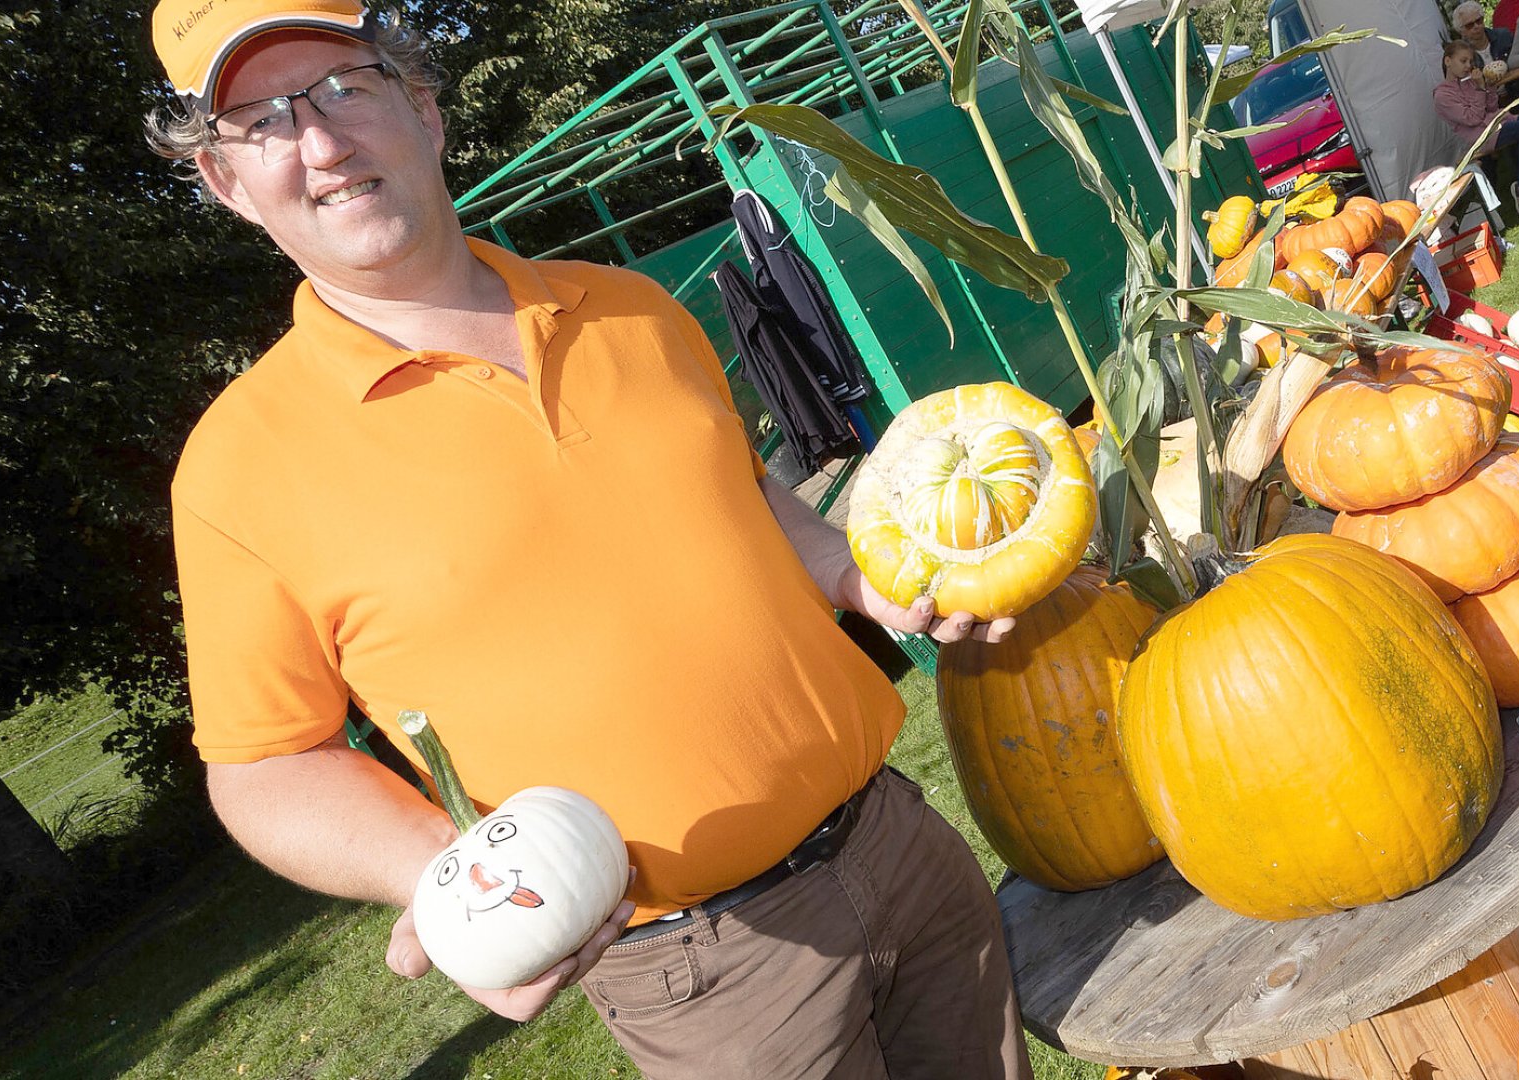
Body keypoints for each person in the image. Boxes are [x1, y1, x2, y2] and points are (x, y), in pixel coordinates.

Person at [144, 2, 1033, 1077]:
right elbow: (264, 764)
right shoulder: (238, 469)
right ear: (224, 183)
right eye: (262, 122)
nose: (323, 143)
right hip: (707, 974)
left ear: (422, 111)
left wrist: (851, 574)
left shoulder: (629, 307)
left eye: (345, 88)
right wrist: (451, 874)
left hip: (900, 843)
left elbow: (744, 493)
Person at [1434, 40, 1519, 214]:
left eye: (1470, 62)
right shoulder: (1442, 95)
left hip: (1496, 122)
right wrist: (1480, 90)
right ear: (1448, 61)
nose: (1468, 66)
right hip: (1479, 136)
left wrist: (1488, 87)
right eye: (1463, 61)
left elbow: (1491, 107)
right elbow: (1472, 119)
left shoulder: (1469, 81)